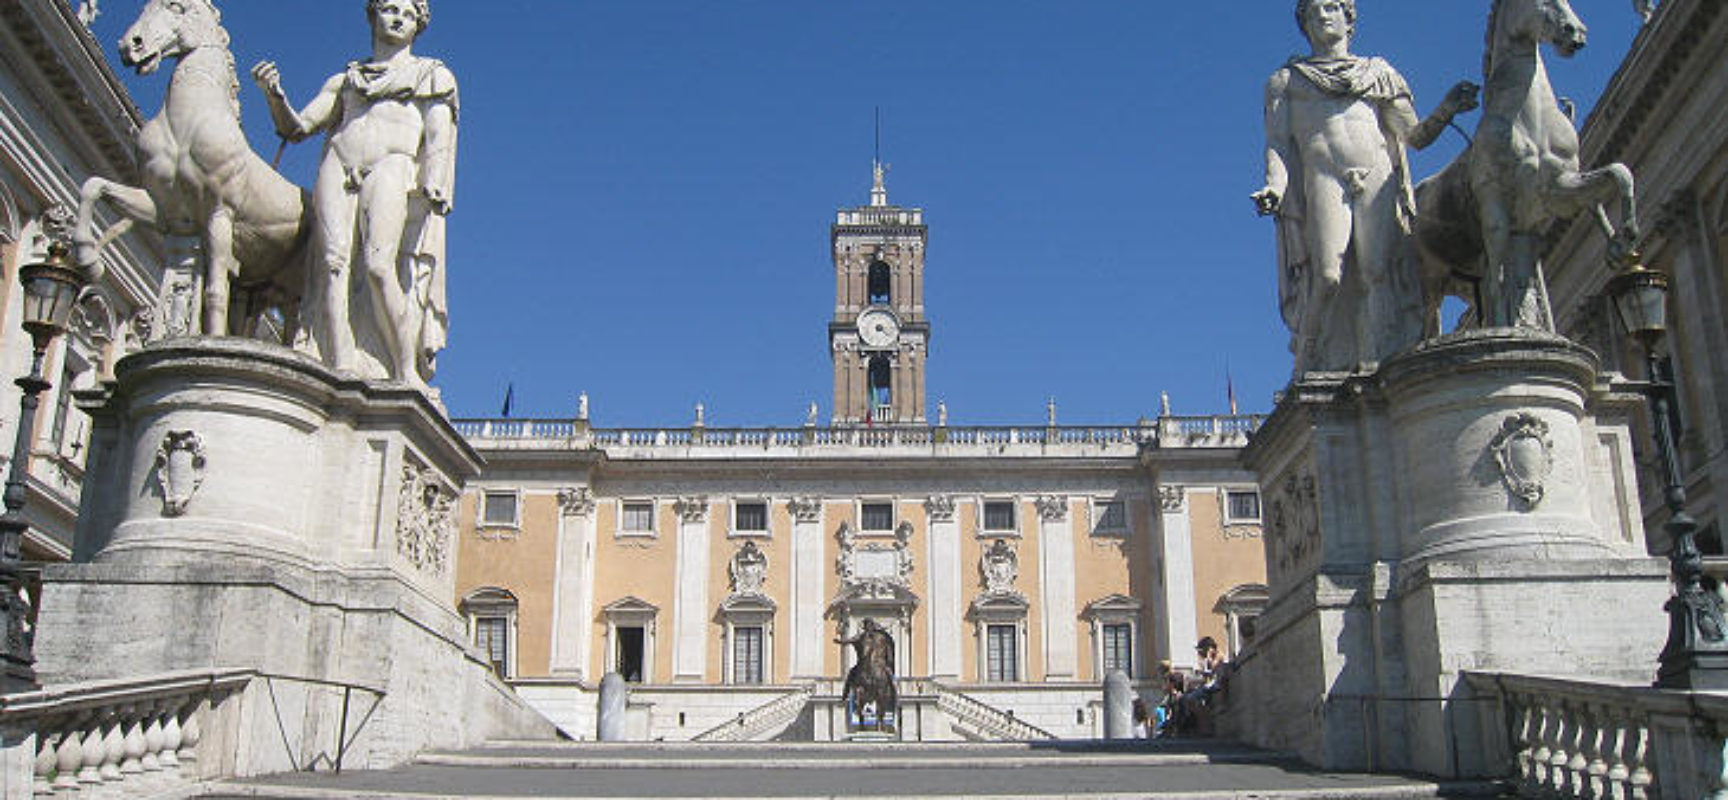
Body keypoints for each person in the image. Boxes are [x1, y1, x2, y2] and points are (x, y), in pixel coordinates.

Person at [1253, 0, 1477, 375]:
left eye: (1330, 8)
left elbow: (1414, 136)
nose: (1323, 16)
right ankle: (1309, 356)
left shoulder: (1379, 73)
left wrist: (1446, 110)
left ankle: (1380, 362)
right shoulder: (1287, 81)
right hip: (1323, 175)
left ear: (1348, 18)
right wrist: (1274, 187)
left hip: (1376, 171)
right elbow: (1277, 144)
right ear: (1304, 24)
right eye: (1313, 12)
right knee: (1327, 275)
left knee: (1379, 271)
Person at [253, 0, 457, 389]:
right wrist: (274, 94)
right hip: (339, 162)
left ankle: (404, 369)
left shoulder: (432, 76)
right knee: (332, 265)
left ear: (418, 25)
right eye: (389, 9)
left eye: (407, 14)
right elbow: (297, 129)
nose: (397, 18)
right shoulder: (346, 80)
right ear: (372, 15)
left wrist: (435, 180)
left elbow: (437, 137)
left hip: (393, 166)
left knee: (380, 266)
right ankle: (341, 364)